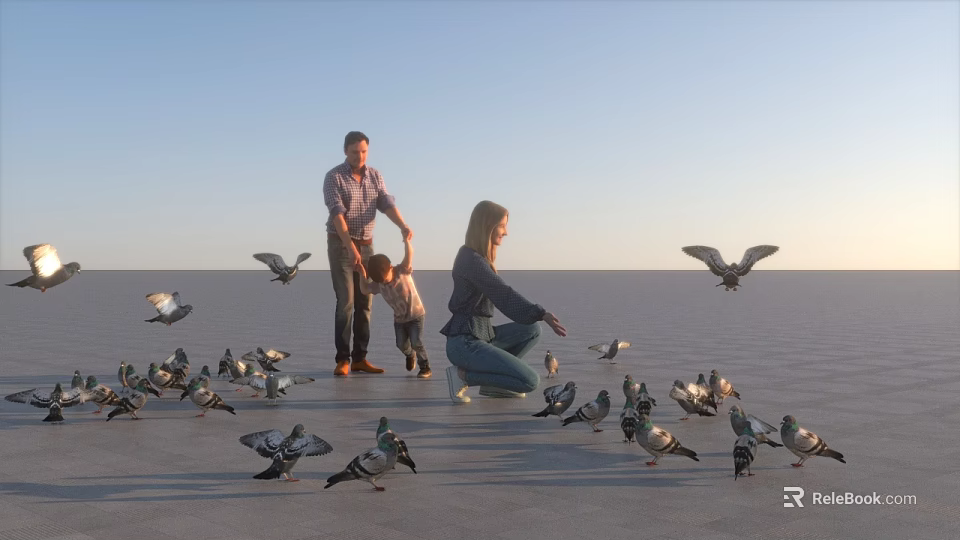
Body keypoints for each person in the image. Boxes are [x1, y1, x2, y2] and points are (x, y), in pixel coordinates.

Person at [440, 200, 567, 403]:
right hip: (465, 344)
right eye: (502, 226)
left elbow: (502, 294)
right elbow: (503, 294)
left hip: (481, 336)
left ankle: (494, 385)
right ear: (487, 226)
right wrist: (541, 312)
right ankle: (462, 376)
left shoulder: (476, 258)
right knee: (530, 381)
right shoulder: (471, 260)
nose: (506, 232)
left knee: (532, 330)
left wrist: (537, 318)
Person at [324, 131, 413, 377]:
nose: (359, 156)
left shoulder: (375, 176)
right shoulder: (334, 177)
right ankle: (342, 359)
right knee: (346, 303)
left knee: (366, 302)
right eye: (354, 152)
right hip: (340, 244)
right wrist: (350, 249)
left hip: (367, 245)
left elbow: (386, 204)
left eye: (363, 151)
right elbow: (338, 215)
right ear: (345, 151)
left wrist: (403, 225)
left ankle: (360, 358)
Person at [357, 237, 432, 378]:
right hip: (399, 319)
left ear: (391, 267)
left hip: (416, 315)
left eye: (386, 279)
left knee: (417, 342)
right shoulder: (379, 284)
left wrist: (407, 241)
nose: (385, 283)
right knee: (400, 344)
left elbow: (409, 255)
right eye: (381, 281)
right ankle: (410, 355)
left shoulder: (402, 271)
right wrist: (362, 274)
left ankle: (425, 367)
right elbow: (365, 290)